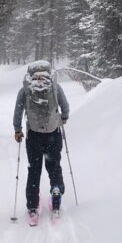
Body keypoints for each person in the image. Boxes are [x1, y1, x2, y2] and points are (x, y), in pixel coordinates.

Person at [13, 60, 70, 217]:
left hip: (34, 136)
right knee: (54, 166)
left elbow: (18, 111)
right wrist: (62, 118)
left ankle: (32, 206)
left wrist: (17, 130)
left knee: (34, 170)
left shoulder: (25, 90)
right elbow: (65, 108)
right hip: (53, 134)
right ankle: (56, 192)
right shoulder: (55, 87)